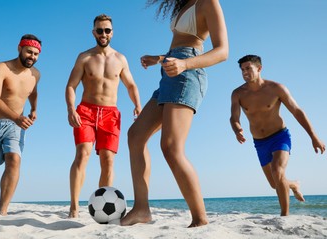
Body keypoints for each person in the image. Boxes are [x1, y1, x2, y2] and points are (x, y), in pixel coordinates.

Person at [120, 0, 228, 227]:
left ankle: (200, 219)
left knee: (171, 147)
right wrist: (158, 59)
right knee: (135, 135)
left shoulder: (208, 2)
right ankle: (141, 209)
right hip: (170, 70)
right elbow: (179, 46)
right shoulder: (184, 6)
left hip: (188, 73)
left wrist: (185, 65)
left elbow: (222, 52)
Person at [65, 14, 141, 218]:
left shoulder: (120, 59)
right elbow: (71, 85)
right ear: (93, 32)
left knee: (108, 160)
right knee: (83, 154)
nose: (103, 34)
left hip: (110, 113)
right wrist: (71, 108)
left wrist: (137, 104)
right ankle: (74, 206)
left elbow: (131, 84)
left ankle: (102, 207)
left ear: (112, 32)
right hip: (86, 111)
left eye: (107, 30)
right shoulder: (84, 57)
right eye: (99, 30)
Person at [230, 54, 325, 216]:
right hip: (259, 142)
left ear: (259, 69)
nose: (245, 72)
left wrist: (313, 136)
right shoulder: (238, 93)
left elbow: (297, 111)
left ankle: (284, 215)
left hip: (280, 136)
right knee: (275, 184)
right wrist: (237, 129)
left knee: (277, 170)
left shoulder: (276, 88)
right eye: (242, 70)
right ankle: (294, 185)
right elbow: (234, 117)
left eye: (248, 68)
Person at [0, 34, 42, 216]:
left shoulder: (36, 74)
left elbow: (33, 91)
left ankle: (2, 210)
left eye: (36, 54)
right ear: (19, 48)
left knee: (14, 160)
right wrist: (16, 117)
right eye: (29, 52)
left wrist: (34, 109)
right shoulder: (1, 68)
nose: (32, 56)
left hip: (15, 125)